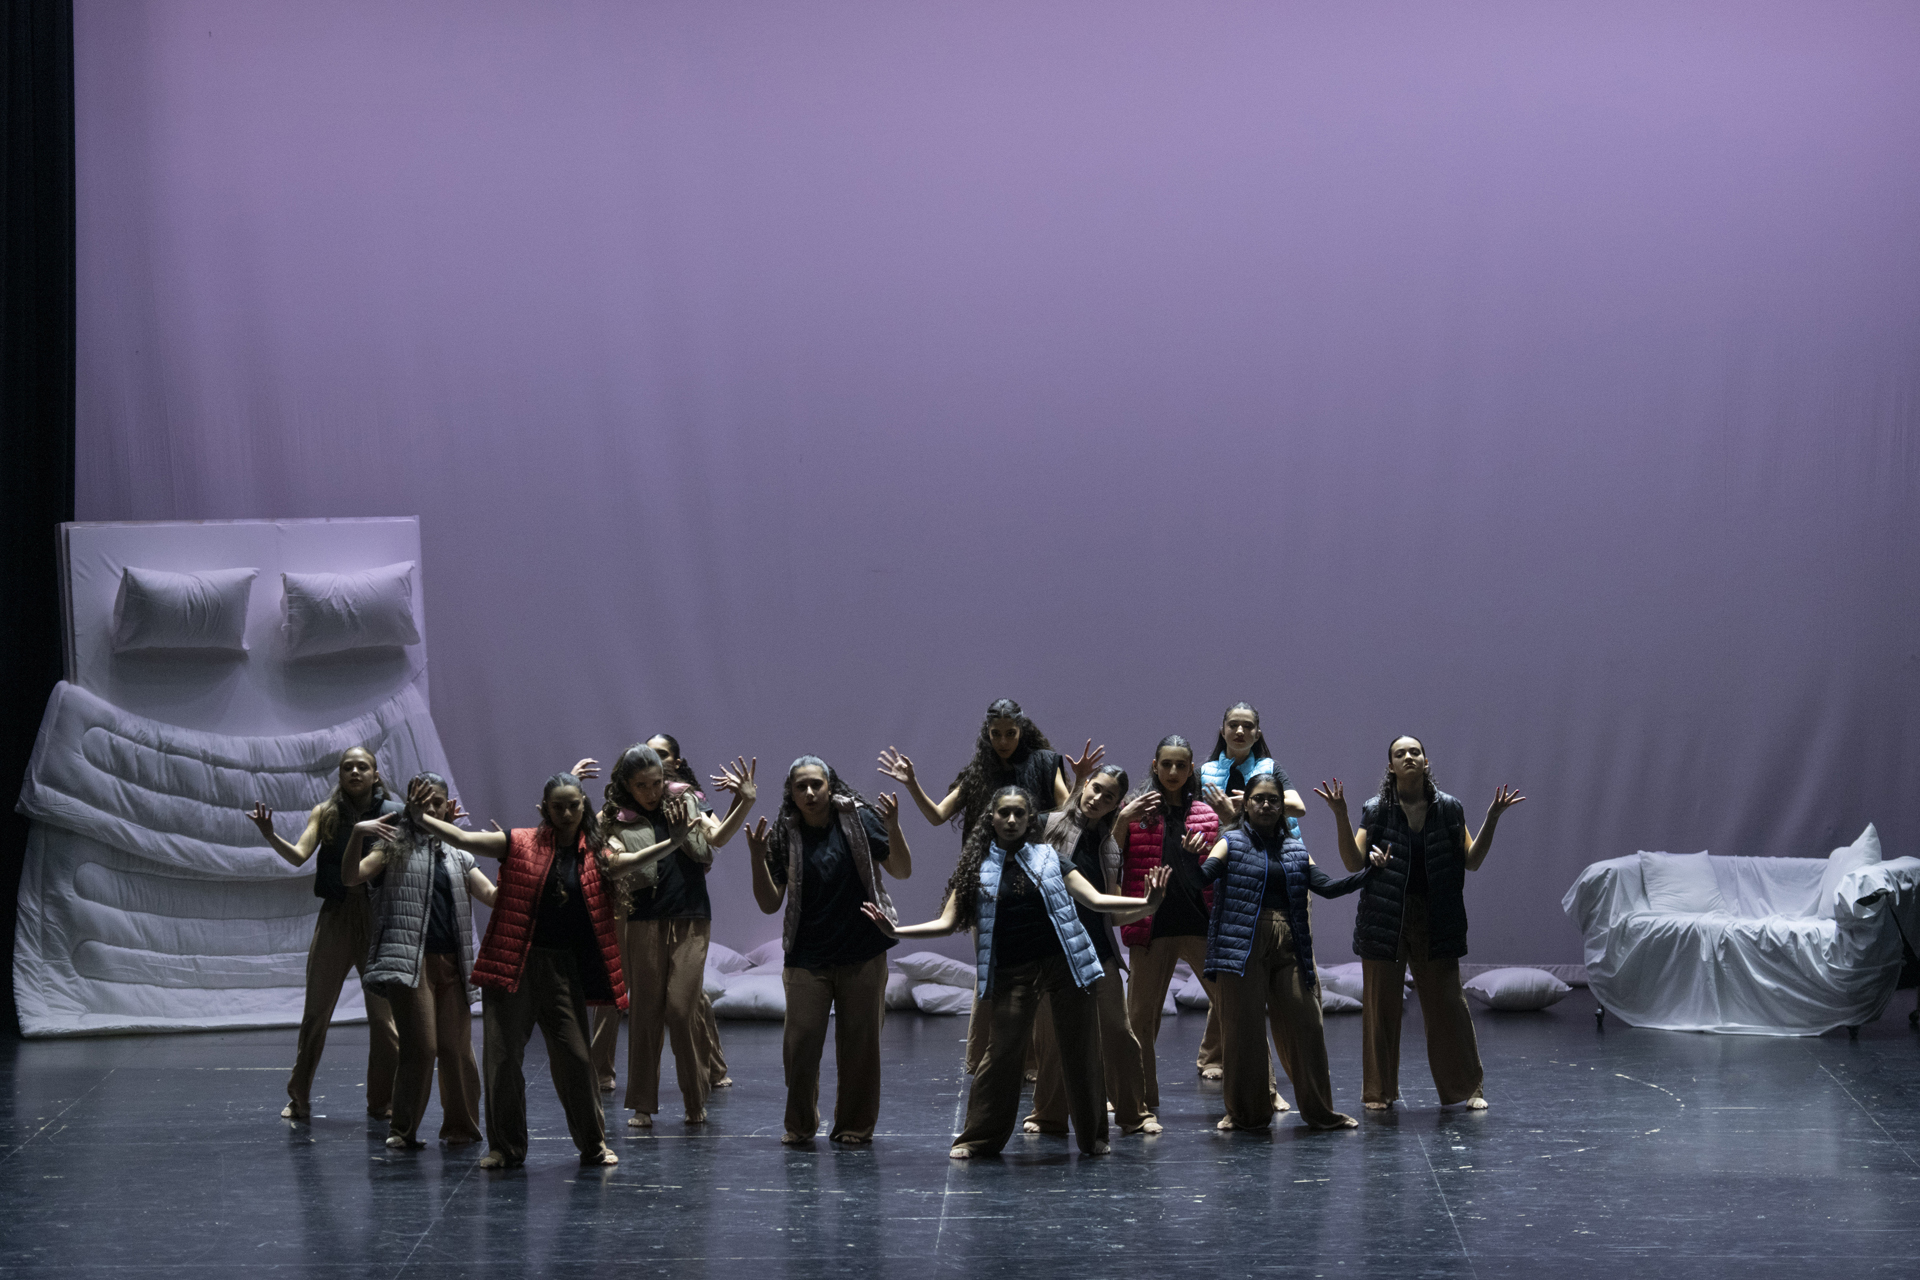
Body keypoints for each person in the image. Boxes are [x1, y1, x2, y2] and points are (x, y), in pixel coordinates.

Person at [862, 785, 1169, 1158]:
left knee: (1082, 1051)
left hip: (1065, 964)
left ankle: (1093, 1138)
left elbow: (1094, 900)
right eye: (1003, 813)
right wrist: (895, 931)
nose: (1011, 820)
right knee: (1002, 1054)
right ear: (991, 818)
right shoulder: (977, 868)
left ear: (1030, 820)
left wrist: (1147, 904)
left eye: (1019, 813)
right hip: (1013, 970)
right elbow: (947, 923)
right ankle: (979, 1139)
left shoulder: (1051, 858)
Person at [408, 773, 626, 1169]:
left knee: (577, 1059)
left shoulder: (595, 852)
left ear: (584, 806)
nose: (566, 813)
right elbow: (464, 839)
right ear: (545, 809)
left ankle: (593, 1145)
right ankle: (505, 1148)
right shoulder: (519, 841)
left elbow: (631, 863)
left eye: (573, 805)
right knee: (503, 1059)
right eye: (558, 807)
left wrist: (674, 841)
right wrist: (421, 818)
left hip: (563, 968)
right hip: (514, 962)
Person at [877, 698, 1100, 1072]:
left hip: (1034, 879)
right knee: (991, 969)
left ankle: (1033, 1062)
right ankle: (983, 1059)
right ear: (987, 733)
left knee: (1036, 968)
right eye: (996, 734)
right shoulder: (978, 772)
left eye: (1010, 733)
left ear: (1021, 730)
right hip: (988, 880)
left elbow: (1068, 815)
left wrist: (1079, 782)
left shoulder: (1045, 763)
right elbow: (938, 815)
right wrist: (912, 784)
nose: (1003, 741)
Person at [1316, 737, 1524, 1111]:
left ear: (1426, 761)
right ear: (1391, 766)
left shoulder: (1449, 808)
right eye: (1400, 754)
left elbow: (1472, 861)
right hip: (1385, 917)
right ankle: (1378, 1092)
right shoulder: (1376, 810)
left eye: (1415, 752)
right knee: (1380, 1008)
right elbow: (1352, 862)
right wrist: (1340, 813)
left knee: (1448, 1007)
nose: (1409, 757)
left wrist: (1492, 818)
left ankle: (1467, 1088)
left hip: (1436, 916)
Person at [1199, 773, 1385, 1131]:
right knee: (1244, 1031)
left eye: (1274, 799)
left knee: (1308, 1024)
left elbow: (1327, 887)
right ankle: (1246, 1115)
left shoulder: (1295, 849)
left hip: (1289, 941)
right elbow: (1203, 878)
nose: (1266, 805)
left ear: (1283, 807)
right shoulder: (1230, 841)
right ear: (1246, 804)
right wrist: (1189, 858)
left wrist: (1370, 874)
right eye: (1259, 798)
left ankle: (1321, 1112)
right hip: (1242, 943)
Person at [745, 757, 912, 1145]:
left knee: (860, 1046)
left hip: (863, 950)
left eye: (816, 785)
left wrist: (893, 827)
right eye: (800, 786)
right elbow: (769, 903)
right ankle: (800, 1125)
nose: (809, 793)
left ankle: (854, 1125)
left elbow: (901, 870)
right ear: (791, 793)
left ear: (830, 786)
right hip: (807, 955)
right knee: (800, 1045)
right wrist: (756, 857)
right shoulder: (785, 832)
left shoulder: (859, 818)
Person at [591, 746, 756, 1128]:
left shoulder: (685, 801)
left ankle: (695, 1100)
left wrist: (744, 802)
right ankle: (643, 1105)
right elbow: (610, 864)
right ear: (627, 785)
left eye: (656, 783)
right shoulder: (616, 818)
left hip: (691, 917)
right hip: (643, 920)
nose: (651, 792)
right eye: (641, 785)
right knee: (645, 1014)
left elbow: (717, 838)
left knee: (681, 1011)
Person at [339, 773, 497, 1149]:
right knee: (421, 1048)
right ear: (409, 804)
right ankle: (403, 1129)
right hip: (410, 963)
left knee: (457, 1050)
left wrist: (511, 858)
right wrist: (358, 833)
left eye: (436, 802)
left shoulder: (458, 854)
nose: (430, 808)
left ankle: (462, 1128)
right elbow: (350, 877)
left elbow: (493, 896)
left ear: (447, 806)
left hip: (454, 964)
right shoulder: (392, 846)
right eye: (422, 802)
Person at [246, 746, 402, 1122]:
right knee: (316, 1013)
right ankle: (298, 1096)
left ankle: (381, 1102)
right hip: (335, 916)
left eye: (362, 767)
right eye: (347, 767)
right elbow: (299, 855)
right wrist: (270, 835)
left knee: (385, 1022)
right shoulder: (326, 812)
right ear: (340, 775)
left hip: (375, 916)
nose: (354, 772)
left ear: (375, 775)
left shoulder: (391, 812)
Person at [1021, 765, 1162, 1136]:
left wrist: (1149, 905)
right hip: (1052, 951)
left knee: (1119, 1034)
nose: (1098, 798)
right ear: (1084, 785)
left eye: (1108, 797)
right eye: (1095, 788)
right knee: (1052, 1039)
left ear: (1116, 805)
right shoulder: (1046, 824)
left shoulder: (1110, 846)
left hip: (1098, 951)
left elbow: (1109, 911)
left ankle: (1134, 1115)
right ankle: (1048, 1116)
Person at [1114, 735, 1229, 1115]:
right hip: (1151, 927)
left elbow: (1221, 866)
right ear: (1155, 766)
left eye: (1181, 765)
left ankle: (1263, 1091)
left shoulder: (1206, 814)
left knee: (1235, 1008)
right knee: (1140, 1021)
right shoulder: (1135, 811)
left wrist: (1219, 832)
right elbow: (1110, 857)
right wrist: (1122, 819)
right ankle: (1137, 1101)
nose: (1174, 771)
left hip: (1201, 924)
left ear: (1191, 768)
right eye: (1167, 764)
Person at [1195, 701, 1305, 1080]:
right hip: (1230, 873)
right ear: (1222, 729)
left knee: (1273, 974)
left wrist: (1252, 803)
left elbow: (1299, 807)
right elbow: (1193, 814)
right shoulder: (1205, 772)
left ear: (1258, 733)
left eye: (1247, 726)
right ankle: (1214, 1057)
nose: (1240, 732)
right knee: (1232, 970)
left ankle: (1260, 1067)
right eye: (1233, 725)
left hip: (1278, 873)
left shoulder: (1269, 769)